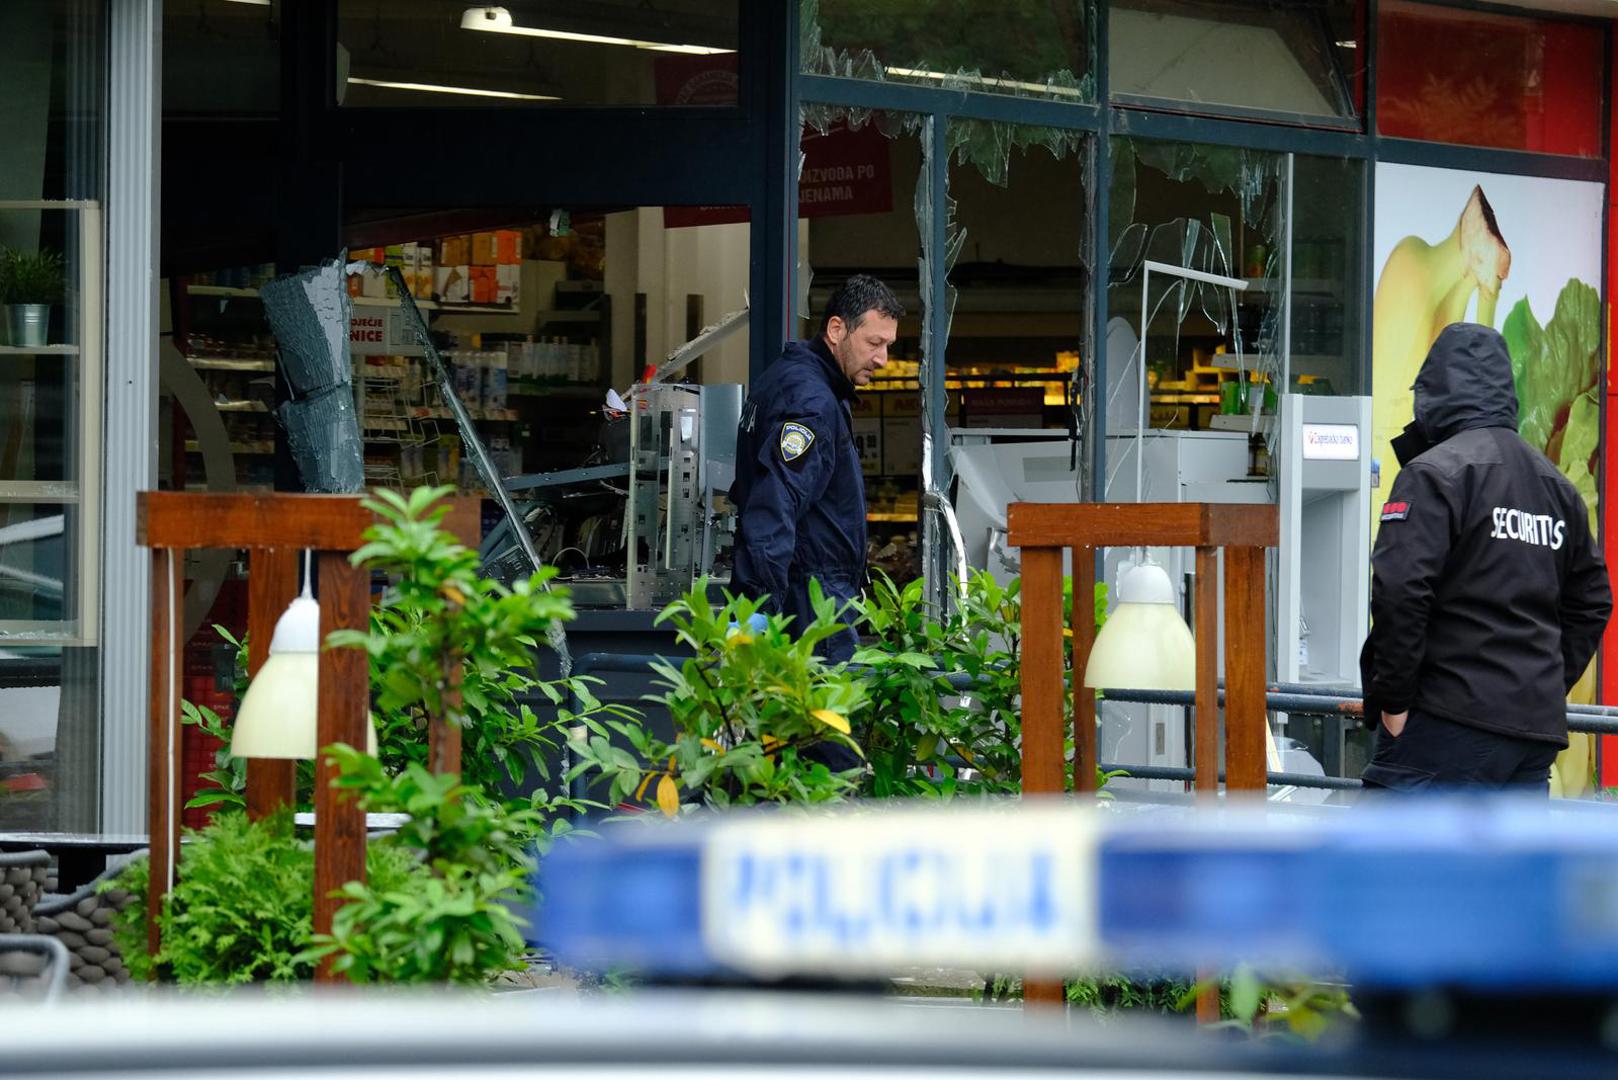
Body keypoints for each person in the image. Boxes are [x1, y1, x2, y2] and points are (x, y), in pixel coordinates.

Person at [1360, 322, 1611, 792]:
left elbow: (1400, 590)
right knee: (1504, 868)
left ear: (1433, 394)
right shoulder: (1556, 485)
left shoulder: (1434, 473)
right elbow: (1594, 600)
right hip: (1529, 733)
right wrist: (1539, 684)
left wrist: (1393, 701)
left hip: (1445, 723)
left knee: (1387, 864)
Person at [730, 274, 902, 662]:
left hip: (810, 594)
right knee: (820, 722)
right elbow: (774, 505)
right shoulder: (812, 400)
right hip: (810, 606)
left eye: (888, 345)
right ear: (837, 329)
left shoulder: (797, 381)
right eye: (874, 343)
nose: (882, 359)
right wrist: (757, 612)